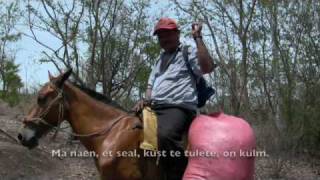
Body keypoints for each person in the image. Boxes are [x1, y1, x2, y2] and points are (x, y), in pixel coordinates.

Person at [132, 17, 216, 180]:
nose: (164, 39)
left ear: (177, 34)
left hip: (179, 107)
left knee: (165, 135)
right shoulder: (159, 59)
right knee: (128, 126)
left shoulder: (188, 51)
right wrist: (145, 100)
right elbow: (151, 86)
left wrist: (198, 38)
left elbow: (207, 68)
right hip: (155, 106)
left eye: (168, 34)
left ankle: (178, 174)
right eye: (160, 36)